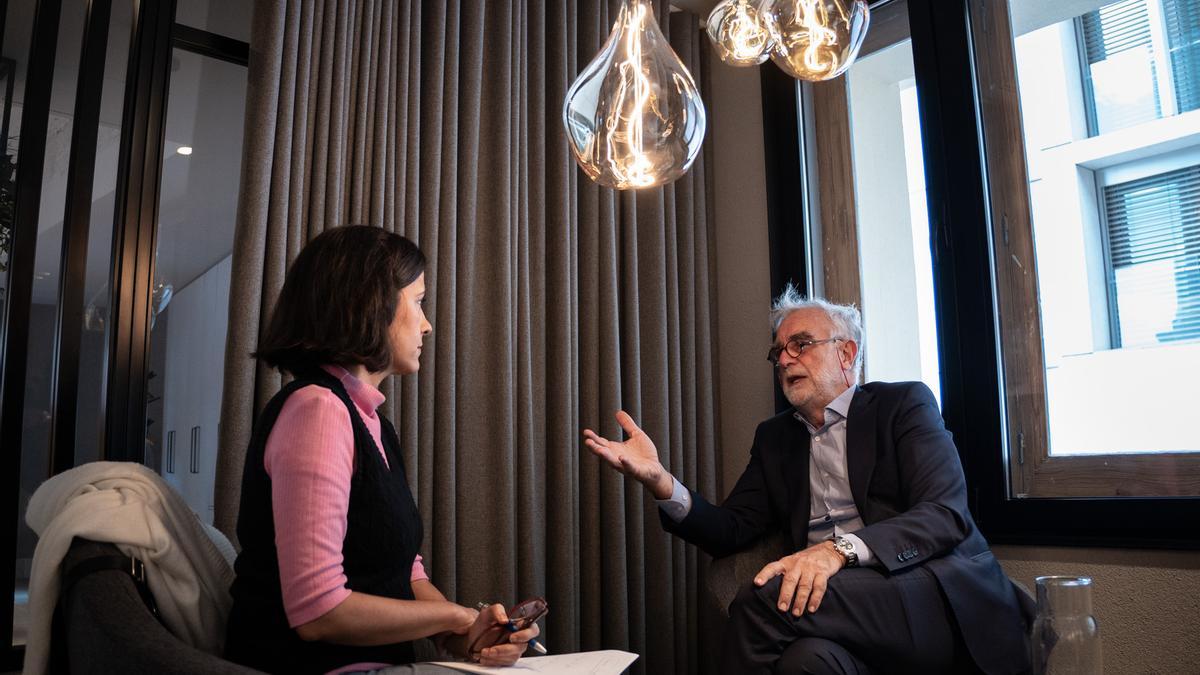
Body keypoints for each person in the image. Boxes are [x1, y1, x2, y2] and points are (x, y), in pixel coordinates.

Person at [583, 286, 1032, 675]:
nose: (784, 359)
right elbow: (731, 530)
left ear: (846, 353)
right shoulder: (776, 438)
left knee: (762, 599)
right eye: (778, 351)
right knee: (807, 663)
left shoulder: (903, 405)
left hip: (928, 593)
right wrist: (662, 481)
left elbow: (943, 515)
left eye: (800, 344)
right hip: (841, 609)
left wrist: (834, 552)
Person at [225, 226, 538, 674]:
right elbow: (318, 611)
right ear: (370, 304)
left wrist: (469, 637)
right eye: (418, 301)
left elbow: (404, 572)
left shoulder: (374, 424)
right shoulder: (318, 410)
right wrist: (457, 616)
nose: (427, 323)